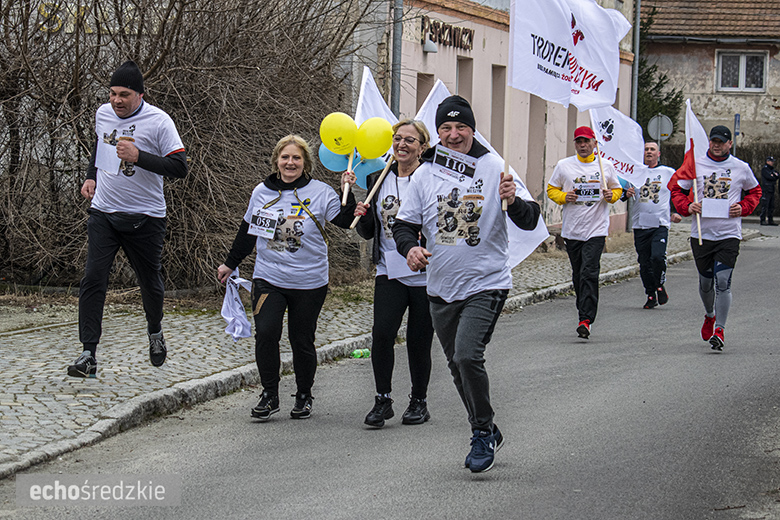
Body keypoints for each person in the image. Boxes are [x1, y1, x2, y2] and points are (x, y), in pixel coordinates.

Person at [392, 95, 541, 473]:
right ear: (438, 133)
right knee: (456, 365)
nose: (454, 134)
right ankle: (488, 426)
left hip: (486, 282)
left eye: (461, 127)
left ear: (472, 129)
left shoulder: (494, 167)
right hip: (441, 287)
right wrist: (410, 249)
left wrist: (514, 201)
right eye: (446, 128)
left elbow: (530, 219)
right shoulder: (426, 172)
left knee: (467, 355)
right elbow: (404, 224)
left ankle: (480, 433)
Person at [217, 135, 356, 419]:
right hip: (269, 277)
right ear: (276, 161)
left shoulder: (320, 192)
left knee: (301, 339)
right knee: (266, 333)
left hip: (309, 281)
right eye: (285, 157)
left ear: (305, 163)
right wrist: (230, 263)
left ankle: (304, 395)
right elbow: (247, 232)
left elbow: (345, 220)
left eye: (296, 158)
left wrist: (347, 190)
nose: (290, 163)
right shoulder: (261, 192)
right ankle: (269, 394)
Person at [67, 60, 187, 378]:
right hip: (104, 212)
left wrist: (139, 157)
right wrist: (91, 176)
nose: (116, 101)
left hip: (145, 217)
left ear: (140, 95)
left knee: (149, 283)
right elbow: (100, 144)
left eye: (124, 94)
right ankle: (88, 354)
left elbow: (180, 167)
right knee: (93, 278)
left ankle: (155, 331)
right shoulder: (103, 113)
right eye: (112, 93)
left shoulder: (159, 121)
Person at [353, 119, 435, 429]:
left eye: (410, 140)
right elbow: (368, 231)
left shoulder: (430, 179)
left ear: (422, 147)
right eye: (398, 138)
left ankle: (419, 401)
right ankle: (382, 399)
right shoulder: (379, 178)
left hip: (425, 272)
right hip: (389, 269)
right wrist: (362, 216)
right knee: (382, 334)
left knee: (418, 339)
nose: (402, 144)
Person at [669, 125, 761, 351]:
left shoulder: (741, 168)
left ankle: (720, 329)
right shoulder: (695, 165)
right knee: (706, 282)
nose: (717, 145)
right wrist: (688, 206)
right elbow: (676, 189)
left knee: (722, 282)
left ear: (730, 144)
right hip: (702, 234)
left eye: (721, 142)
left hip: (729, 234)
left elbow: (755, 192)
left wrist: (743, 207)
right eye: (714, 141)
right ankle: (710, 315)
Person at [547, 126, 622, 339]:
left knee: (590, 271)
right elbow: (552, 189)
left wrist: (612, 196)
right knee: (579, 274)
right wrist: (564, 197)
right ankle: (583, 310)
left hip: (596, 229)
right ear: (575, 144)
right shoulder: (564, 166)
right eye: (579, 142)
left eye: (586, 141)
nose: (582, 145)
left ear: (594, 144)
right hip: (573, 230)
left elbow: (616, 189)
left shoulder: (605, 166)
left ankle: (586, 319)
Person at [622, 142, 682, 309]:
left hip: (659, 223)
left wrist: (677, 212)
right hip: (640, 224)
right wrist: (626, 193)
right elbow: (621, 194)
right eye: (646, 149)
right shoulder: (635, 173)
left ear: (658, 153)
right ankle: (650, 294)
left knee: (657, 257)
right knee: (644, 262)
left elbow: (679, 193)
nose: (649, 152)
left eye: (652, 149)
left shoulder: (668, 172)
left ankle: (660, 285)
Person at [759, 156, 778, 226]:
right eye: (771, 161)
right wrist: (773, 176)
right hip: (766, 189)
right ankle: (762, 220)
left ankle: (770, 220)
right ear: (767, 161)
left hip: (772, 189)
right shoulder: (765, 169)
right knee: (765, 205)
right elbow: (769, 177)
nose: (772, 163)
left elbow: (777, 175)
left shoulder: (772, 169)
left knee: (771, 206)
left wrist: (774, 176)